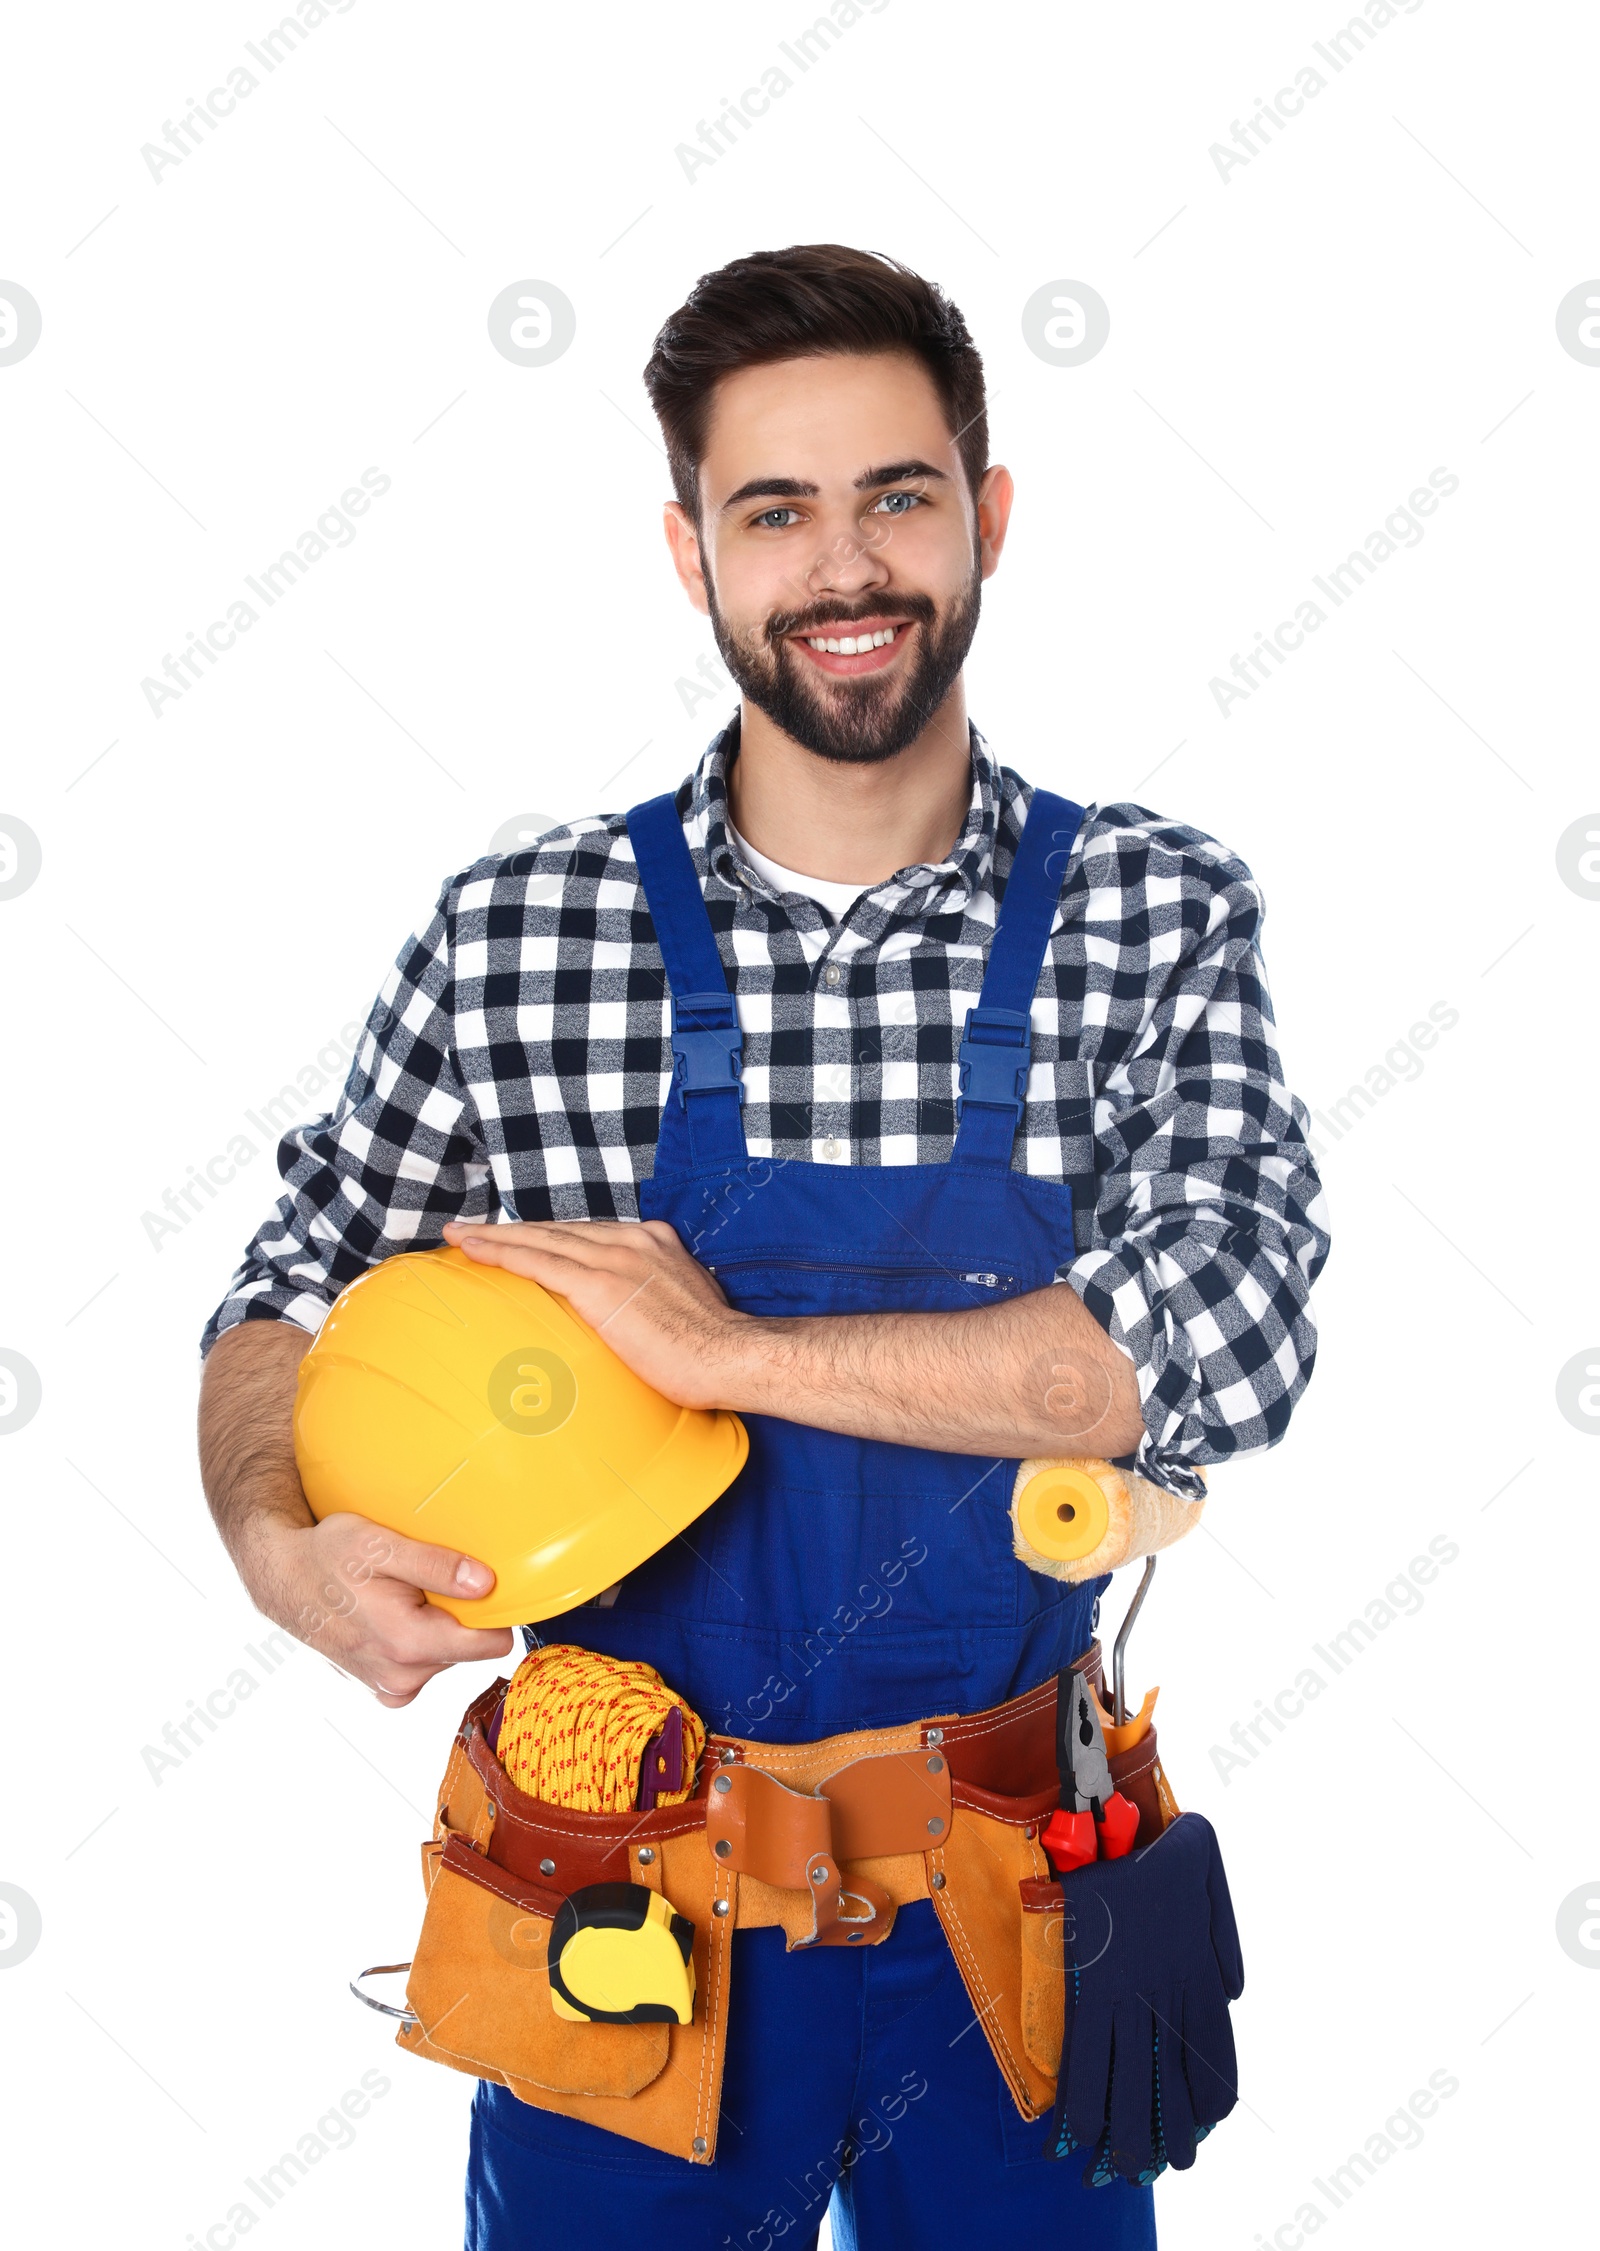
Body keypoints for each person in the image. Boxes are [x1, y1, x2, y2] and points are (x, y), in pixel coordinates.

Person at [198, 243, 1330, 2249]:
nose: (844, 563)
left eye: (896, 493)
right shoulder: (519, 935)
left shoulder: (1142, 913)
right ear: (687, 551)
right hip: (617, 1919)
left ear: (982, 517)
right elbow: (288, 1292)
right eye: (772, 509)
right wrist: (281, 1538)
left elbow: (1223, 1345)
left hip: (1015, 1913)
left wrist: (727, 1357)